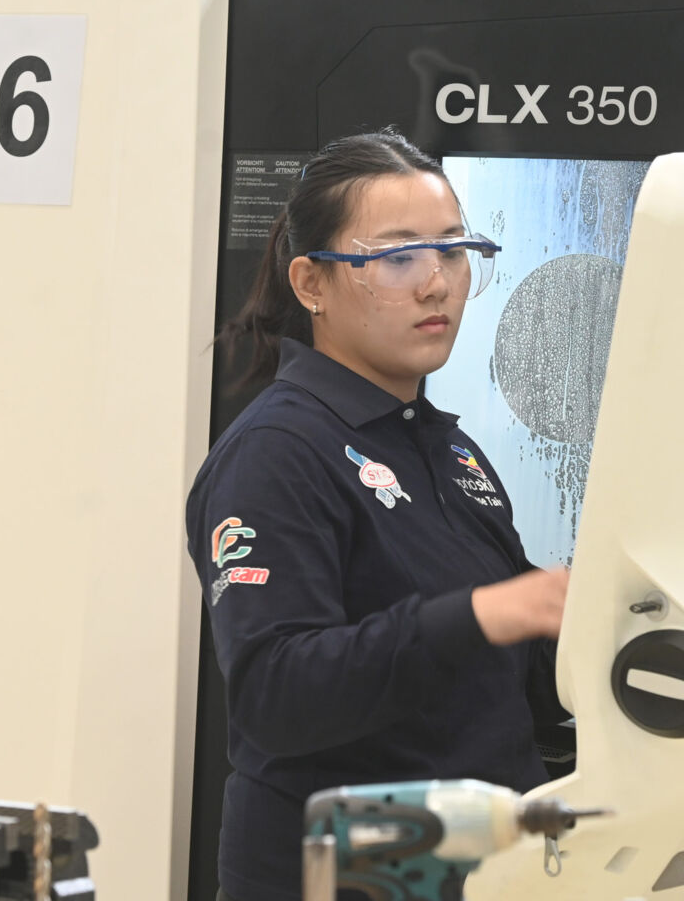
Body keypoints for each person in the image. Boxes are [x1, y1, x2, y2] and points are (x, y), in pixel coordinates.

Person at [186, 129, 570, 901]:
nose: (437, 285)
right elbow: (275, 695)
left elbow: (515, 670)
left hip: (480, 866)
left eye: (454, 251)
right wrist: (488, 613)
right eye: (397, 257)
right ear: (312, 283)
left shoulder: (445, 448)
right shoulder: (276, 454)